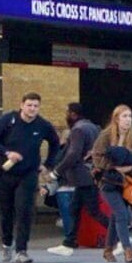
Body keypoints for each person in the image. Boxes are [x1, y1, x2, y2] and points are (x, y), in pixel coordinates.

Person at [0, 94, 57, 263]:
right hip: (5, 172)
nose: (32, 109)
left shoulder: (42, 125)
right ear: (22, 105)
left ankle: (22, 250)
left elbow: (55, 143)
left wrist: (47, 164)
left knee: (24, 211)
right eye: (29, 105)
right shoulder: (8, 120)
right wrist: (7, 153)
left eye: (35, 106)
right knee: (7, 211)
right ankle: (6, 244)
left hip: (28, 174)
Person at [91, 105, 132, 263]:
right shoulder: (105, 135)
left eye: (130, 116)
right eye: (124, 116)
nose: (128, 120)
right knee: (121, 214)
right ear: (116, 119)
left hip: (126, 182)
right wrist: (112, 167)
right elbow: (97, 156)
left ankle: (108, 250)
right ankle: (127, 250)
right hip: (108, 181)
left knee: (116, 215)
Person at [53, 104, 102, 254]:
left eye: (67, 112)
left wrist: (56, 171)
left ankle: (119, 237)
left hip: (82, 176)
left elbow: (73, 154)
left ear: (73, 114)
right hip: (89, 174)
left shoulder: (77, 130)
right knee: (74, 209)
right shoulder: (94, 128)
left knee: (93, 211)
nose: (66, 115)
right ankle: (69, 242)